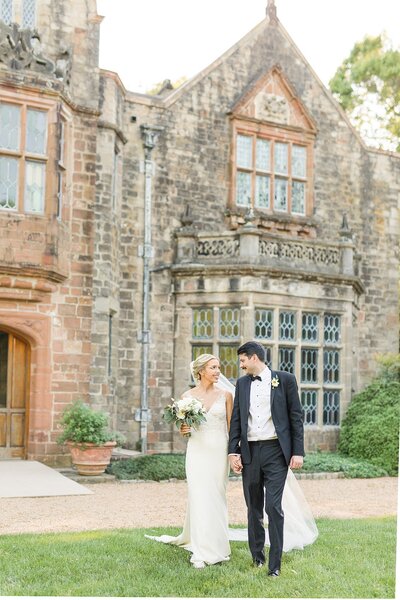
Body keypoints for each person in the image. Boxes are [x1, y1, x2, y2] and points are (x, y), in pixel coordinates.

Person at [146, 353, 234, 568]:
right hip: (196, 451)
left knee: (216, 496)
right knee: (198, 496)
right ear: (201, 371)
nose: (217, 372)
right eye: (213, 368)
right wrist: (183, 429)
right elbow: (185, 430)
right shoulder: (187, 396)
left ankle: (218, 546)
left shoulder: (226, 395)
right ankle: (200, 550)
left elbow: (232, 429)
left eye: (218, 367)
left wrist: (234, 454)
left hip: (219, 452)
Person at [228, 340, 305, 577]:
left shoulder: (285, 380)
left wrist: (298, 451)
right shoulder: (241, 384)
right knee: (253, 507)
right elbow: (237, 420)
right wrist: (233, 452)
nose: (240, 365)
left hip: (276, 451)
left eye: (242, 360)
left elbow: (296, 417)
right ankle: (257, 557)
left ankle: (275, 564)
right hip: (250, 451)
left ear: (253, 358)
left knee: (273, 506)